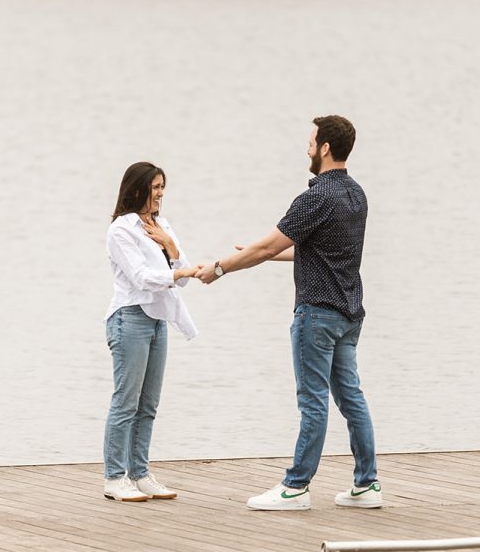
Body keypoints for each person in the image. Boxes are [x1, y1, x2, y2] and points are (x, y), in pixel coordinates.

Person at [197, 115, 380, 511]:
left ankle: (296, 487)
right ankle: (367, 485)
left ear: (326, 147)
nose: (307, 148)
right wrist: (255, 255)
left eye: (312, 141)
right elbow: (315, 251)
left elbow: (266, 246)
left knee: (312, 401)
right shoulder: (356, 195)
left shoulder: (315, 197)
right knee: (352, 398)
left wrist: (221, 267)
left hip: (317, 315)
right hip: (349, 315)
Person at [103, 162, 199, 503]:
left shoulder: (162, 226)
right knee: (125, 402)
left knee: (149, 404)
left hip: (158, 320)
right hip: (129, 319)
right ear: (137, 190)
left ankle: (140, 473)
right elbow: (142, 277)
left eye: (162, 187)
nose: (159, 194)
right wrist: (177, 269)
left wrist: (171, 246)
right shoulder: (121, 230)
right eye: (155, 187)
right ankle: (115, 477)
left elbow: (184, 275)